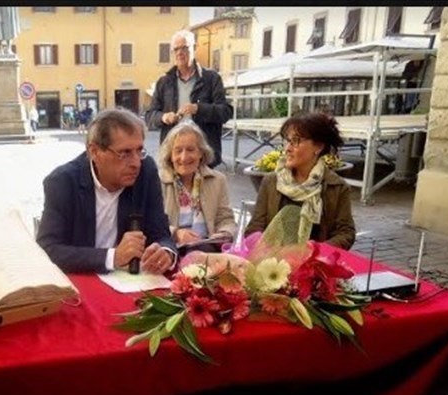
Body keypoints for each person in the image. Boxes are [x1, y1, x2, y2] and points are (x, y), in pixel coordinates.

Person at [37, 108, 177, 274]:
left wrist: (165, 252)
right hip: (81, 281)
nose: (136, 163)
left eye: (139, 151)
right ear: (95, 152)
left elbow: (160, 232)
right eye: (125, 153)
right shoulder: (63, 182)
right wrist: (112, 257)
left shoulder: (146, 172)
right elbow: (48, 249)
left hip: (131, 281)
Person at [245, 112, 356, 250]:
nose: (287, 148)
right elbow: (255, 227)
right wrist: (265, 250)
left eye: (296, 141)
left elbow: (346, 233)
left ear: (318, 146)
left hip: (315, 264)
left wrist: (314, 251)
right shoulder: (271, 181)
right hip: (274, 262)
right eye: (287, 140)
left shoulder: (337, 186)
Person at [145, 29, 233, 169]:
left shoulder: (211, 78)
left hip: (203, 155)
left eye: (184, 47)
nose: (180, 52)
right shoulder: (164, 82)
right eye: (176, 49)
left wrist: (199, 109)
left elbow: (225, 112)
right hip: (174, 156)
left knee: (204, 191)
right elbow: (149, 116)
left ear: (194, 48)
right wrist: (164, 117)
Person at [158, 122, 237, 251]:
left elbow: (226, 219)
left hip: (208, 247)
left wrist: (225, 233)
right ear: (170, 156)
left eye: (190, 150)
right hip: (172, 249)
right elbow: (152, 223)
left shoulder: (218, 180)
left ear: (201, 152)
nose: (184, 157)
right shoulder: (157, 182)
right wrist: (176, 233)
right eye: (178, 151)